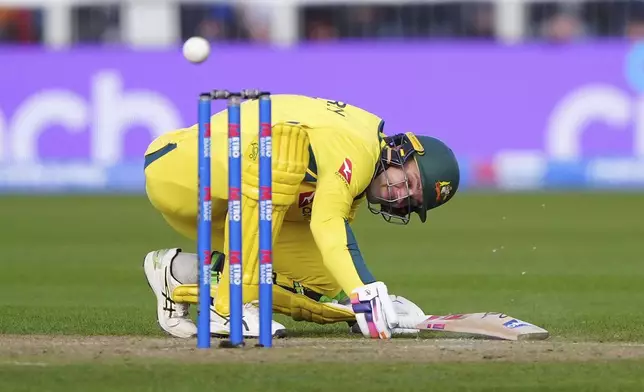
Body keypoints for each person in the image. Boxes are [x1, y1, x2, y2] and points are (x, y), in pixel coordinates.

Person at [142, 94, 459, 340]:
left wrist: (368, 304)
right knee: (282, 159)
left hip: (219, 204)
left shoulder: (358, 180)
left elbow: (334, 247)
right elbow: (327, 222)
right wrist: (365, 291)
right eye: (410, 182)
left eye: (411, 201)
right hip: (181, 164)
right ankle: (228, 307)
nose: (399, 195)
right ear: (402, 150)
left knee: (325, 283)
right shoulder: (360, 147)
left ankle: (180, 272)